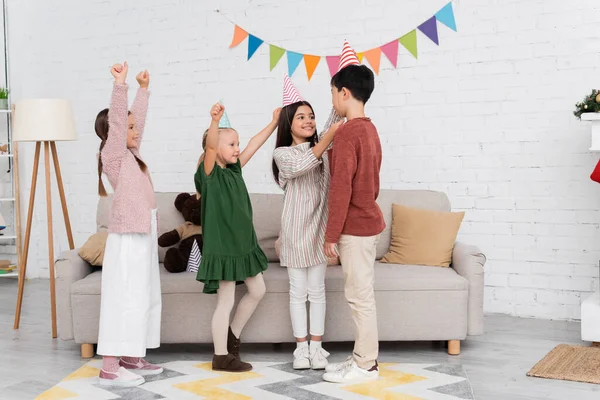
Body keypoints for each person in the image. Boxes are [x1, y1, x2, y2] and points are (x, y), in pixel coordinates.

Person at [195, 102, 281, 372]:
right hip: (223, 247)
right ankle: (220, 355)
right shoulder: (209, 175)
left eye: (237, 144)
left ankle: (231, 336)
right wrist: (214, 120)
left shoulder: (234, 169)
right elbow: (210, 147)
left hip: (244, 244)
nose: (237, 149)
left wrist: (274, 122)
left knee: (258, 290)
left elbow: (254, 144)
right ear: (216, 147)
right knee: (226, 300)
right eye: (231, 144)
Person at [95, 62, 162, 386]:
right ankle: (109, 366)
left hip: (143, 233)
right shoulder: (115, 156)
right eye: (129, 128)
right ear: (115, 134)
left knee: (142, 296)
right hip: (127, 237)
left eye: (136, 128)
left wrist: (143, 90)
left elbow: (136, 122)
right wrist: (121, 86)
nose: (136, 132)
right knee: (123, 297)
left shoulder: (133, 157)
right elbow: (121, 121)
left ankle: (131, 355)